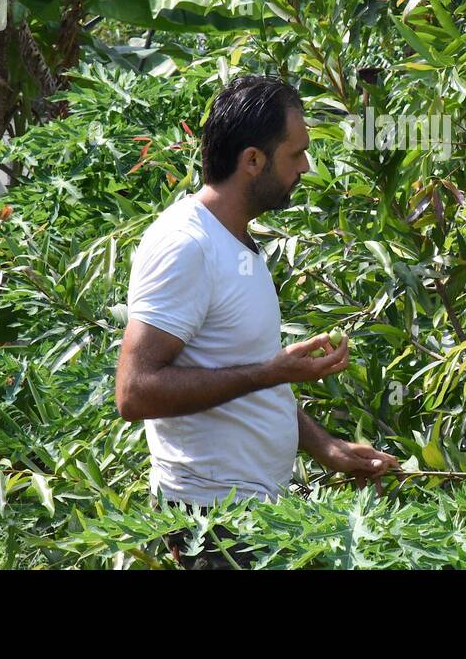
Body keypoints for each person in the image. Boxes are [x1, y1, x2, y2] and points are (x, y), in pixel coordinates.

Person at [115, 74, 400, 568]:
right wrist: (271, 372)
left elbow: (243, 377)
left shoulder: (240, 243)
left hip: (256, 517)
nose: (306, 167)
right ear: (252, 161)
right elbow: (135, 392)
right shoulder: (187, 244)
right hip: (213, 526)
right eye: (296, 153)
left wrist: (326, 447)